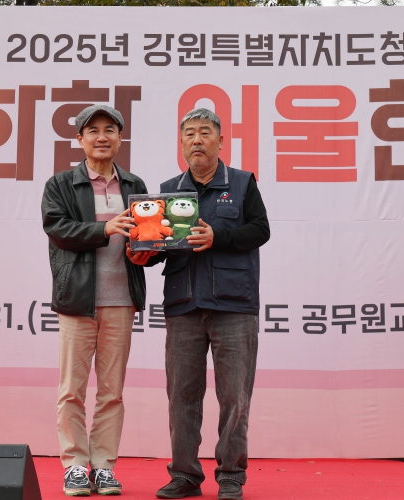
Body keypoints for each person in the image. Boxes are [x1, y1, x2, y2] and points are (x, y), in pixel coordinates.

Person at [130, 108, 270, 500]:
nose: (197, 140)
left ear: (220, 141)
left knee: (235, 397)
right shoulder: (167, 190)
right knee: (182, 396)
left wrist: (217, 237)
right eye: (189, 134)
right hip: (183, 304)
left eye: (205, 132)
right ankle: (185, 475)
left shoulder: (242, 183)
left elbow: (260, 230)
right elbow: (160, 243)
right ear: (181, 143)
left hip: (234, 304)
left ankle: (231, 475)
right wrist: (144, 254)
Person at [42, 104, 151, 497]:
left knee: (111, 391)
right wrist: (105, 229)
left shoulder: (135, 185)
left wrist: (147, 253)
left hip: (122, 301)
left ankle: (103, 466)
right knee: (71, 389)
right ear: (80, 139)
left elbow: (148, 236)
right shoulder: (61, 184)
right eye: (93, 130)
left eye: (110, 130)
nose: (102, 137)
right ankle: (74, 465)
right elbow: (58, 229)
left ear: (120, 138)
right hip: (77, 300)